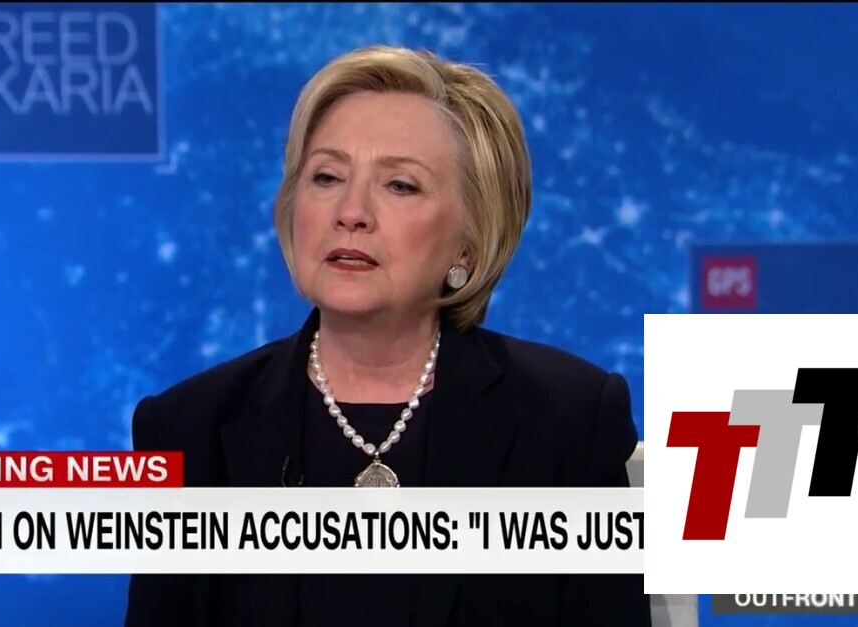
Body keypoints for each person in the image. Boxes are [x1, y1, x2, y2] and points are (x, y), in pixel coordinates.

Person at [125, 44, 651, 626]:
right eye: (326, 176)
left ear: (468, 243)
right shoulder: (188, 429)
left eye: (400, 185)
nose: (351, 211)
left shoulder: (567, 421)